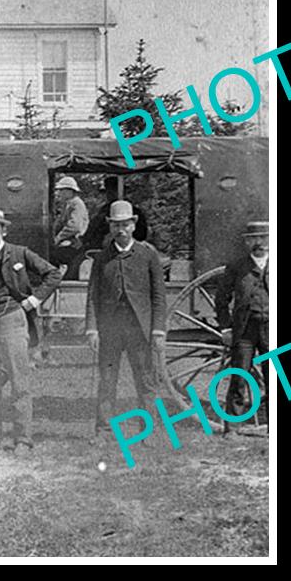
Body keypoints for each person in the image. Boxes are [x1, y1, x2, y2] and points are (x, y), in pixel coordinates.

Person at [0, 209, 63, 450]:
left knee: (19, 380)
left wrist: (35, 300)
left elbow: (53, 274)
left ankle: (23, 439)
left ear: (3, 231)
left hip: (13, 320)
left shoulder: (19, 253)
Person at [85, 201, 167, 435]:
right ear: (110, 227)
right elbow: (92, 295)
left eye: (125, 224)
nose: (121, 230)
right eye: (116, 225)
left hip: (140, 329)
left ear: (133, 225)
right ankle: (104, 430)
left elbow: (159, 296)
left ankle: (147, 431)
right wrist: (92, 329)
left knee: (146, 381)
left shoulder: (148, 255)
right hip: (109, 329)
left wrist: (158, 330)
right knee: (107, 380)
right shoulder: (102, 258)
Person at [214, 220, 270, 429]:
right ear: (247, 243)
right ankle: (232, 426)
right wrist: (226, 327)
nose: (260, 243)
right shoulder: (237, 266)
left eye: (264, 238)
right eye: (255, 239)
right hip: (244, 330)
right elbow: (221, 300)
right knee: (239, 376)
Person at [83, 178, 148, 250]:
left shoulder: (133, 211)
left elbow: (142, 234)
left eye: (113, 191)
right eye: (108, 192)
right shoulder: (104, 210)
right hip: (99, 248)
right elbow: (93, 229)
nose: (109, 195)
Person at [51, 176, 90, 274]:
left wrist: (58, 238)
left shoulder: (76, 204)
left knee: (52, 255)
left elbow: (74, 226)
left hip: (75, 243)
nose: (59, 193)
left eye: (62, 190)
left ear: (70, 191)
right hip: (69, 242)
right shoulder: (68, 205)